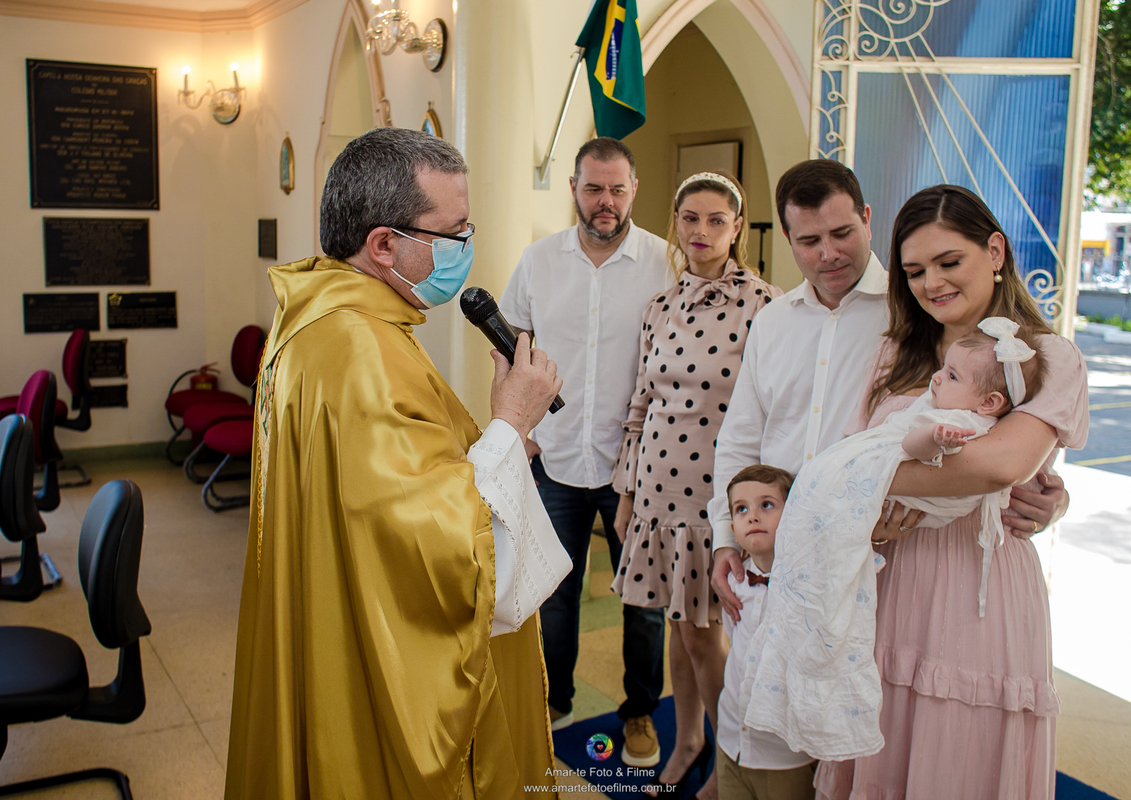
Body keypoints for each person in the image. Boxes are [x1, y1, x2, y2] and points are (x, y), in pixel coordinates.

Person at [225, 127, 570, 800]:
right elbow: (438, 552)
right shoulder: (360, 352)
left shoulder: (318, 317)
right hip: (378, 664)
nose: (466, 249)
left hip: (339, 619)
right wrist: (511, 422)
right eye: (454, 232)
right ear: (383, 244)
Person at [814, 185, 1089, 800]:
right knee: (882, 744)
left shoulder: (1047, 356)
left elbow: (1001, 464)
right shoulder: (897, 353)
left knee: (958, 757)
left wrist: (852, 479)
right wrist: (860, 497)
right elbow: (859, 452)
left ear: (994, 251)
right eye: (914, 271)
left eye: (948, 262)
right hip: (889, 575)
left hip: (978, 590)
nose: (931, 283)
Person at [707, 160, 1070, 623]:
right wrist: (724, 533)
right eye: (809, 241)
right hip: (776, 550)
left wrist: (1051, 499)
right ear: (787, 238)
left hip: (882, 561)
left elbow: (988, 427)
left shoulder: (914, 317)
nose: (828, 254)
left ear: (867, 220)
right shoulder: (774, 320)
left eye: (841, 233)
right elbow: (741, 436)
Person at [742, 320, 1047, 763]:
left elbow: (1005, 470)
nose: (937, 379)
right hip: (898, 533)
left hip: (960, 560)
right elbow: (901, 441)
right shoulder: (937, 406)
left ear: (991, 402)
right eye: (944, 369)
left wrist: (933, 444)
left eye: (953, 376)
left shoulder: (973, 423)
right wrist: (929, 443)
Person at [609, 171, 781, 796]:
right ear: (676, 226)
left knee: (705, 639)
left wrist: (759, 508)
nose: (702, 232)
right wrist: (626, 493)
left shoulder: (766, 305)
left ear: (738, 226)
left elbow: (776, 411)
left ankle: (730, 765)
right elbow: (641, 402)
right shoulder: (661, 304)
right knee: (679, 629)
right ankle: (688, 740)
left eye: (716, 220)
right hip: (657, 490)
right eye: (690, 220)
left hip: (716, 497)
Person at [499, 137, 669, 765]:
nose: (606, 201)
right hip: (558, 459)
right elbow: (508, 339)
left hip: (639, 467)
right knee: (556, 591)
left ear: (633, 191)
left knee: (643, 600)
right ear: (573, 188)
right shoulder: (540, 260)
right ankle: (555, 699)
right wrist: (518, 422)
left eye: (617, 189)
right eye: (594, 188)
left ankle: (640, 713)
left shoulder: (664, 262)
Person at [717, 465, 817, 800]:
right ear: (732, 527)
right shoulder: (734, 582)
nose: (753, 516)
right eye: (741, 509)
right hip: (731, 740)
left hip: (784, 754)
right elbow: (733, 637)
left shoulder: (810, 589)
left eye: (767, 505)